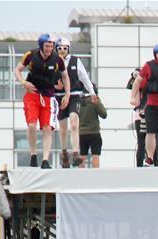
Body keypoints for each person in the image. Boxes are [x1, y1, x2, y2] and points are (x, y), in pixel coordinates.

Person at [15, 34, 71, 168]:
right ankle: (33, 155)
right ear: (41, 46)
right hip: (32, 92)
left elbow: (65, 77)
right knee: (32, 125)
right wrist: (23, 82)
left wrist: (67, 95)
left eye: (51, 46)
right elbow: (17, 70)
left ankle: (45, 160)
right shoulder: (31, 55)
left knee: (47, 128)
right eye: (47, 46)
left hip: (48, 95)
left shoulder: (58, 59)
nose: (49, 49)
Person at [54, 38, 96, 168]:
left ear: (68, 49)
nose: (62, 51)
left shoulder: (75, 61)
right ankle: (64, 153)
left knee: (73, 124)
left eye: (65, 48)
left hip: (74, 95)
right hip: (60, 97)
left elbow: (84, 77)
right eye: (59, 48)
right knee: (62, 129)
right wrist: (55, 86)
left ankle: (76, 153)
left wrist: (92, 92)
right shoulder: (53, 62)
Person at [78, 86, 106, 168]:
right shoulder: (94, 100)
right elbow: (104, 114)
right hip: (94, 133)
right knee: (95, 155)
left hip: (82, 133)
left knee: (82, 156)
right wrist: (98, 102)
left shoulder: (79, 102)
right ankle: (95, 176)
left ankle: (80, 176)